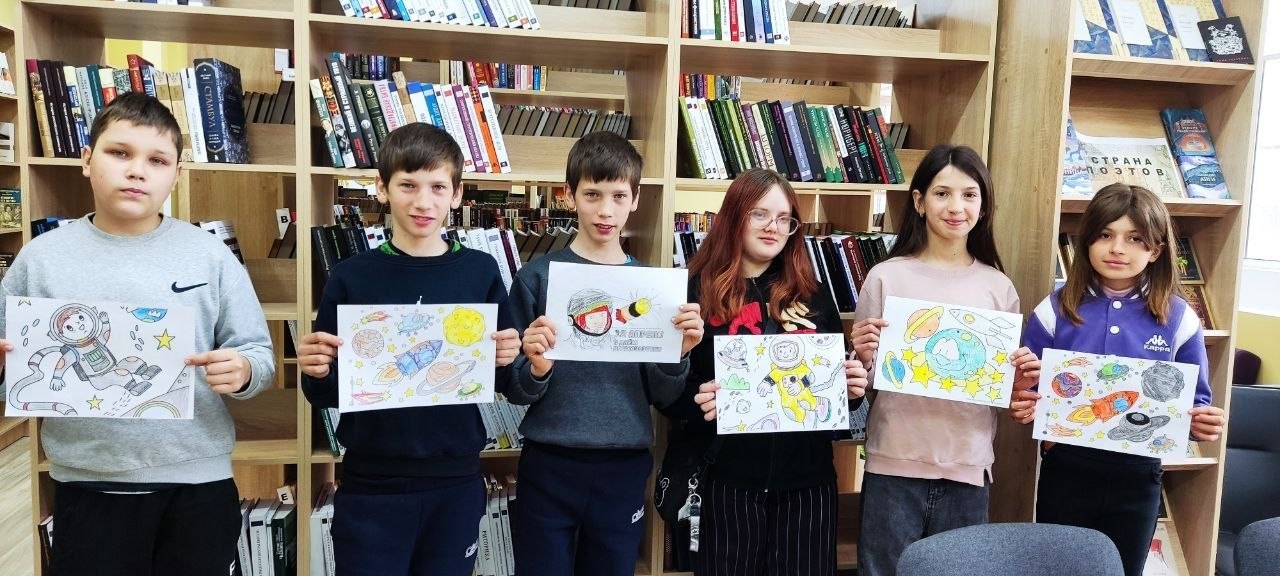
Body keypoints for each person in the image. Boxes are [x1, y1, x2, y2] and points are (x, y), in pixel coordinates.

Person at [0, 92, 276, 576]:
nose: (137, 171)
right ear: (86, 160)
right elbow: (13, 366)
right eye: (119, 152)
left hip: (198, 481)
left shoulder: (209, 255)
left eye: (157, 160)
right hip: (88, 482)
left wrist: (244, 370)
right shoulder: (40, 258)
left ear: (177, 174)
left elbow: (258, 353)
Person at [298, 123, 521, 576]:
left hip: (455, 478)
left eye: (438, 187)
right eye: (408, 185)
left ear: (457, 194)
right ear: (381, 188)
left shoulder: (480, 272)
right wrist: (317, 368)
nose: (423, 202)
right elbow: (323, 393)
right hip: (371, 482)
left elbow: (504, 380)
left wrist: (510, 357)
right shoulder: (351, 276)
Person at [507, 131, 704, 575]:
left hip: (623, 461)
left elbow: (665, 396)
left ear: (636, 199)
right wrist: (535, 370)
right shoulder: (537, 278)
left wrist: (678, 354)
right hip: (549, 458)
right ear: (569, 195)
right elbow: (513, 389)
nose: (605, 210)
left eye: (619, 196)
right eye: (592, 194)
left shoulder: (654, 289)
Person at [1009, 183, 1225, 576]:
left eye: (1135, 238)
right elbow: (1028, 389)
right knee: (1058, 568)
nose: (1117, 249)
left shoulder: (1179, 318)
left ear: (1155, 250)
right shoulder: (1055, 309)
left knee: (1124, 569)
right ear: (1087, 241)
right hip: (1067, 468)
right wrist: (1023, 401)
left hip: (1138, 475)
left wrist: (1201, 422)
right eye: (1106, 235)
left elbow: (1195, 404)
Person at [849, 144, 1040, 576]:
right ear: (919, 202)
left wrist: (1018, 384)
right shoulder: (886, 276)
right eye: (942, 193)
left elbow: (1001, 392)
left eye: (969, 195)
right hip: (893, 462)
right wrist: (861, 356)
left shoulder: (998, 287)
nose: (956, 207)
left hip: (968, 465)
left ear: (983, 206)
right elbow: (864, 381)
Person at [670, 168, 869, 576]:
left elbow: (835, 404)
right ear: (734, 217)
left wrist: (851, 392)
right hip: (727, 482)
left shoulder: (814, 296)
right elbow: (669, 394)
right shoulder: (695, 291)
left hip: (808, 485)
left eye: (783, 218)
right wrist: (696, 400)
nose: (772, 227)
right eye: (759, 214)